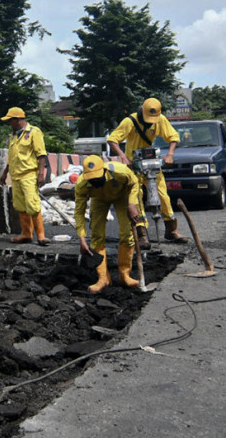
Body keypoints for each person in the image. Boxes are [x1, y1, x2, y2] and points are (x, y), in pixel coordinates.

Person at [107, 97, 188, 244]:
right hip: (134, 166)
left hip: (152, 164)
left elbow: (173, 137)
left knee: (163, 196)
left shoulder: (160, 120)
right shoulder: (129, 122)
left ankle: (171, 229)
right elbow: (112, 140)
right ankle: (141, 232)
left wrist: (170, 154)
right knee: (136, 196)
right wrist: (124, 157)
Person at [73, 155, 142, 293]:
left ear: (104, 170)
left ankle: (125, 275)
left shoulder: (120, 171)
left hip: (123, 196)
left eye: (97, 178)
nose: (94, 181)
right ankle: (103, 278)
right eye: (91, 179)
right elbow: (79, 212)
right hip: (98, 199)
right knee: (96, 235)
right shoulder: (82, 184)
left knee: (126, 232)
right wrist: (81, 238)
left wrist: (131, 203)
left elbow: (135, 183)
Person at [0, 107, 50, 246]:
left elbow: (41, 154)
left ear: (18, 119)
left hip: (29, 175)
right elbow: (11, 158)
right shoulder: (14, 136)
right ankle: (26, 234)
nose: (10, 123)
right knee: (20, 206)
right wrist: (4, 174)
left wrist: (41, 174)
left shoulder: (34, 132)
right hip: (16, 176)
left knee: (32, 204)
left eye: (11, 120)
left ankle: (41, 236)